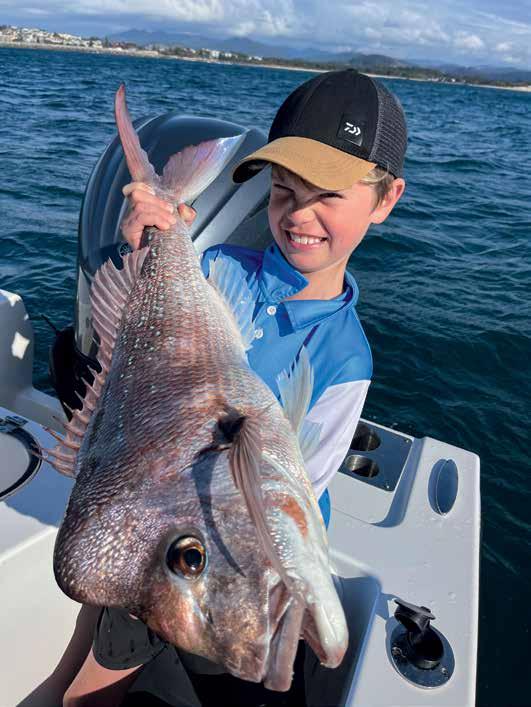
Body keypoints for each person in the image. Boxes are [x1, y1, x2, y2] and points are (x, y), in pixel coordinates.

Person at [62, 69, 407, 707]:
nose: (299, 214)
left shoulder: (345, 357)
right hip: (159, 535)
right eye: (282, 190)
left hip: (238, 564)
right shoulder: (214, 265)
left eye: (328, 195)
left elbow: (297, 479)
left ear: (386, 200)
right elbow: (143, 352)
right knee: (88, 686)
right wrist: (144, 241)